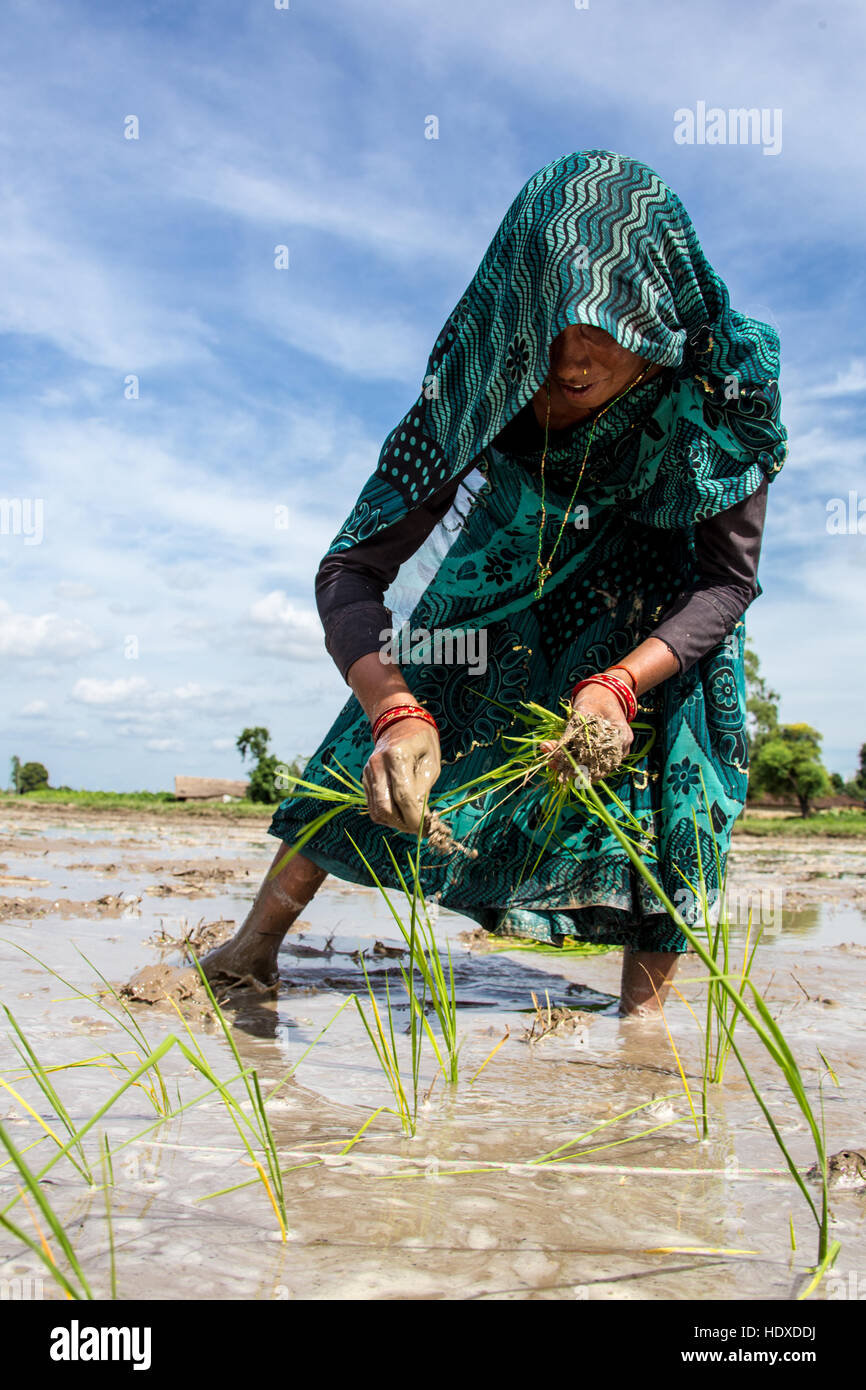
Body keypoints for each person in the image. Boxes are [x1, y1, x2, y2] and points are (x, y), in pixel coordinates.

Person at [203, 149, 787, 1016]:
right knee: (411, 689)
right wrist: (393, 709)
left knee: (688, 748)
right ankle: (250, 952)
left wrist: (621, 684)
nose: (574, 357)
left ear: (653, 309)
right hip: (511, 575)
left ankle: (645, 1025)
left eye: (607, 324)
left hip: (664, 609)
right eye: (554, 322)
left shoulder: (723, 384)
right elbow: (353, 568)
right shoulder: (481, 380)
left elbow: (728, 584)